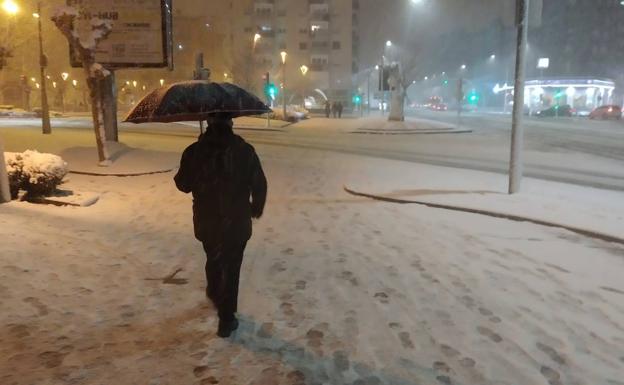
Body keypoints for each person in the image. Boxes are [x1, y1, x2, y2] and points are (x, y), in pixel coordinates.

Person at [174, 115, 267, 338]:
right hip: (236, 222)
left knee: (213, 258)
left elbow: (183, 184)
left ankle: (215, 291)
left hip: (207, 221)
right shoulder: (244, 151)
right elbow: (259, 182)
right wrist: (256, 207)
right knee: (232, 267)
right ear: (230, 124)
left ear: (208, 124)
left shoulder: (194, 152)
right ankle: (226, 319)